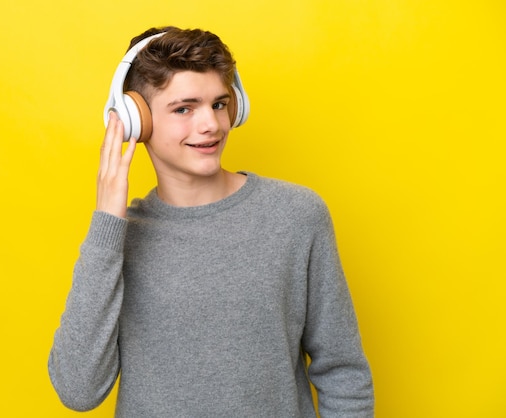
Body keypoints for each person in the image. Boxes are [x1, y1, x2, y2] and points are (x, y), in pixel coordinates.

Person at [48, 26, 374, 417]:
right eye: (184, 108)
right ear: (137, 120)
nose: (211, 125)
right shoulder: (119, 240)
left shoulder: (297, 216)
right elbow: (78, 391)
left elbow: (343, 372)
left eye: (219, 104)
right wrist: (106, 224)